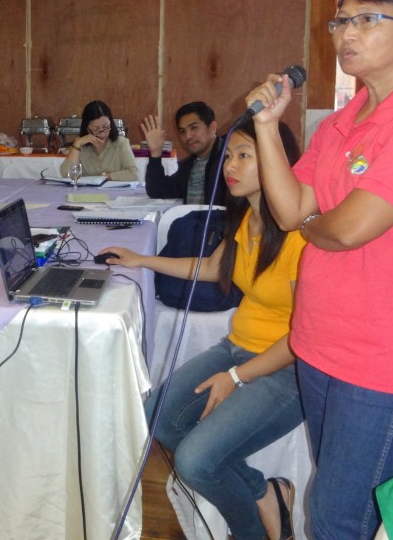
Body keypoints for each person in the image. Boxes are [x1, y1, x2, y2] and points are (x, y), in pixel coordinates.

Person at [245, 0, 393, 540]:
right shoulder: (341, 122)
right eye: (341, 20)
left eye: (367, 19)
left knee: (339, 520)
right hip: (321, 342)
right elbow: (287, 209)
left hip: (385, 357)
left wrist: (315, 218)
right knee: (333, 503)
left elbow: (346, 229)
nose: (347, 33)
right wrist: (269, 128)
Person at [100, 119, 305, 540]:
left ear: (276, 160)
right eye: (229, 155)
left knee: (196, 462)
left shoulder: (301, 233)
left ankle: (252, 532)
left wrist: (235, 377)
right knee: (158, 415)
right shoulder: (246, 217)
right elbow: (213, 268)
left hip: (289, 368)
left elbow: (306, 334)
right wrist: (142, 261)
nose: (231, 166)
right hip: (239, 347)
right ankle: (266, 492)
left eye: (244, 155)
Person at [142, 101, 226, 204]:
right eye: (182, 131)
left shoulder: (228, 159)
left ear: (212, 127)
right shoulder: (188, 166)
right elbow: (157, 191)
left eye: (194, 128)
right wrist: (155, 152)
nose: (188, 136)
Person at [59, 100, 139, 181]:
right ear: (87, 129)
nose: (102, 133)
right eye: (96, 129)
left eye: (106, 127)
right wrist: (77, 144)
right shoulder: (81, 145)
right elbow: (66, 174)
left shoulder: (121, 143)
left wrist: (107, 176)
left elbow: (134, 174)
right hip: (86, 193)